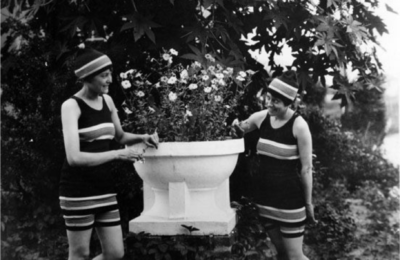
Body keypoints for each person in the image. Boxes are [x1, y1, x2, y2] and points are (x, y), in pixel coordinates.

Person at [60, 48, 159, 260]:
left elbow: (120, 137)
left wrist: (143, 137)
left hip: (103, 188)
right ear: (87, 77)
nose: (110, 80)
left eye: (110, 74)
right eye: (104, 75)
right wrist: (117, 155)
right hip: (78, 191)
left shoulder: (108, 101)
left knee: (114, 253)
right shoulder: (71, 106)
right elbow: (74, 158)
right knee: (80, 253)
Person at [232, 71, 316, 260]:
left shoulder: (299, 126)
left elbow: (306, 168)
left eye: (276, 101)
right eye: (268, 98)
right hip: (265, 198)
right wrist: (235, 128)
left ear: (289, 103)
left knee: (295, 256)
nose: (269, 103)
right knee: (283, 255)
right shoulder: (261, 117)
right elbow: (238, 130)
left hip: (290, 201)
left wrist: (308, 203)